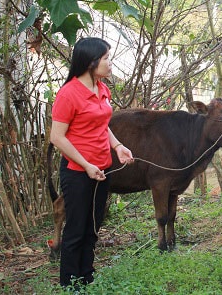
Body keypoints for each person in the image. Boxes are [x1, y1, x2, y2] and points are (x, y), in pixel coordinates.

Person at [50, 37, 134, 288]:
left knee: (93, 227)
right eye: (107, 58)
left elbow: (102, 124)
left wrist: (118, 146)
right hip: (77, 172)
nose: (110, 64)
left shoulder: (101, 88)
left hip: (102, 168)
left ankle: (86, 278)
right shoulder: (69, 94)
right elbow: (57, 137)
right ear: (91, 62)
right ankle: (69, 284)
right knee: (76, 230)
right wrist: (86, 164)